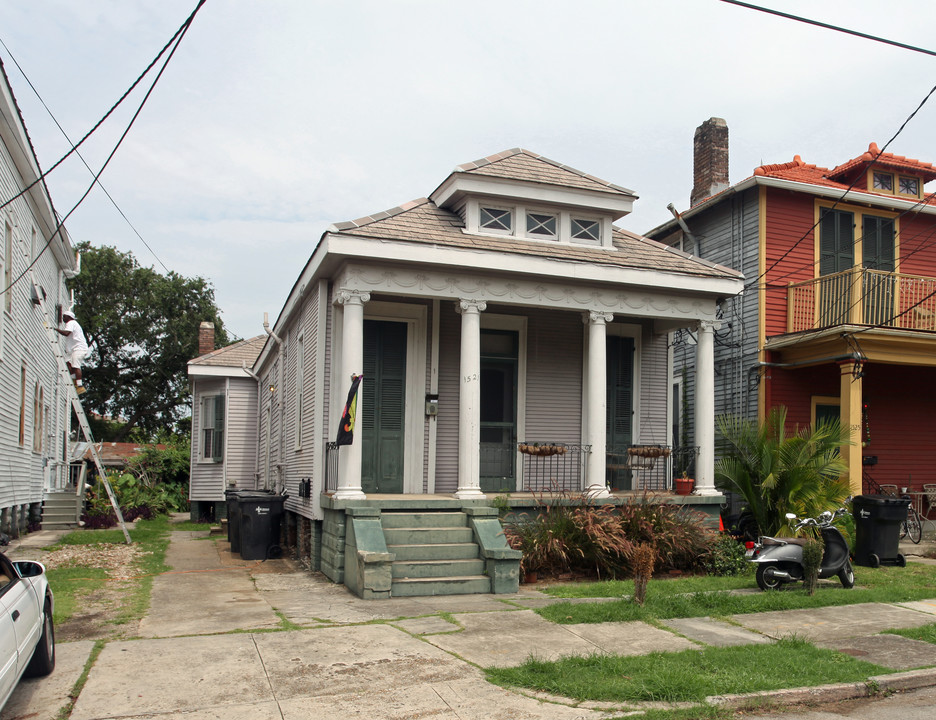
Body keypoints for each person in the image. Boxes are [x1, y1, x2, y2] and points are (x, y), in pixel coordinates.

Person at [57, 309, 88, 395]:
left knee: (75, 365)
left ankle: (79, 386)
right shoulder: (72, 324)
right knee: (68, 364)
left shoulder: (71, 323)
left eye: (64, 316)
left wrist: (56, 329)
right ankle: (74, 382)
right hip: (72, 350)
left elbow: (66, 333)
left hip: (79, 348)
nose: (63, 318)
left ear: (69, 317)